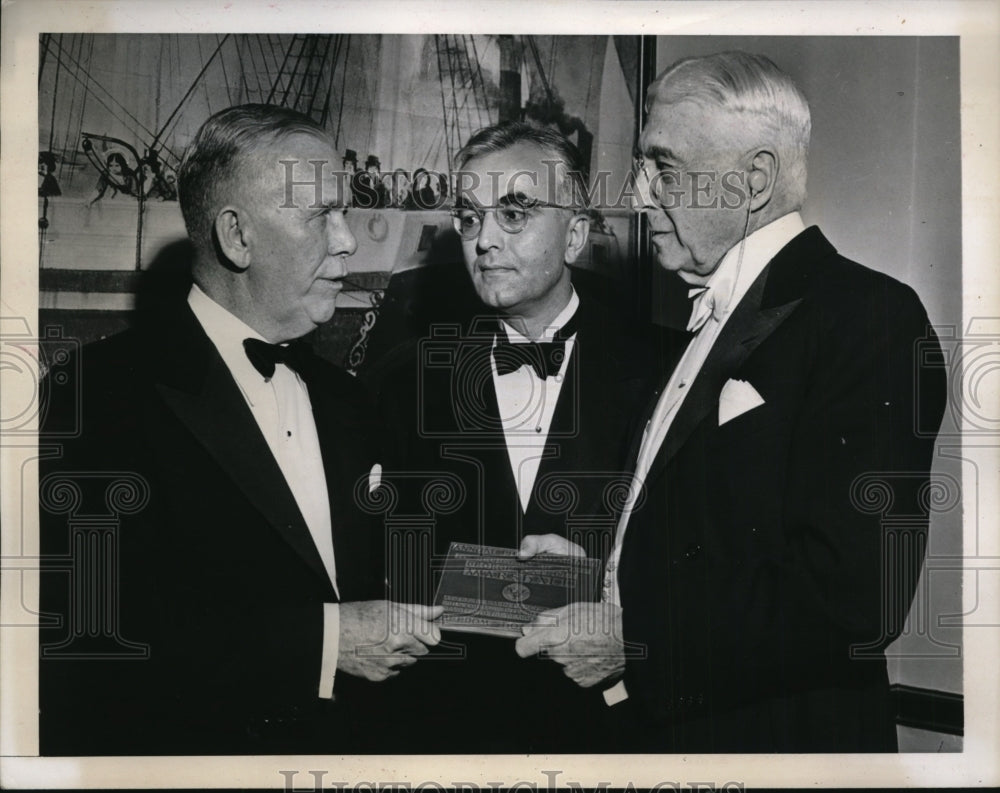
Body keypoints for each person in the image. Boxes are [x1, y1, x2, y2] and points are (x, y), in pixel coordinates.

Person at [515, 51, 948, 752]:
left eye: (664, 167)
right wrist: (599, 576)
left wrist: (636, 638)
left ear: (753, 180)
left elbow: (855, 596)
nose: (639, 194)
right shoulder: (698, 322)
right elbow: (716, 542)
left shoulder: (869, 316)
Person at [38, 104, 441, 756]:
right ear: (238, 237)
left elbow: (389, 578)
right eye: (321, 214)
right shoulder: (97, 395)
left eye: (345, 212)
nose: (347, 240)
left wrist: (525, 581)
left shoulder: (349, 401)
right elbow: (93, 636)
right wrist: (326, 642)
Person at [370, 121, 675, 752]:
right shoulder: (407, 381)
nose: (484, 241)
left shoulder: (665, 372)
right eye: (471, 217)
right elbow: (385, 564)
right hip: (453, 729)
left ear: (578, 233)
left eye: (515, 213)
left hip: (614, 730)